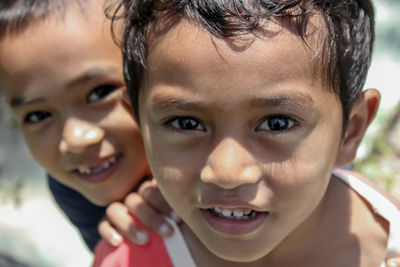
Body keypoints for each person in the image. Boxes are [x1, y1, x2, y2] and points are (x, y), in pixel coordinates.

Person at [94, 0, 400, 266]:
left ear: (351, 130)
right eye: (186, 123)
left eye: (276, 123)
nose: (227, 172)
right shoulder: (124, 259)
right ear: (140, 124)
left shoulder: (390, 240)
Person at [0, 0, 176, 253]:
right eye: (38, 115)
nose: (75, 139)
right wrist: (116, 235)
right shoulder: (72, 188)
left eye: (100, 92)